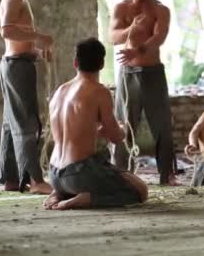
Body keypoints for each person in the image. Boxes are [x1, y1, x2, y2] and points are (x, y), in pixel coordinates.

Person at [43, 38, 148, 210]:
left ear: (75, 62)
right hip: (79, 174)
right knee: (140, 191)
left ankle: (60, 193)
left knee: (100, 169)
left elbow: (74, 131)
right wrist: (121, 128)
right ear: (101, 64)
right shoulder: (99, 91)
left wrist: (99, 130)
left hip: (54, 174)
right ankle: (81, 199)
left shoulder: (60, 91)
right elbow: (115, 137)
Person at [109, 0, 178, 185]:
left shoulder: (160, 10)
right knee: (123, 123)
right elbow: (113, 37)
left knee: (162, 123)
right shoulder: (121, 7)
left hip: (153, 72)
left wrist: (137, 50)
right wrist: (131, 30)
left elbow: (159, 37)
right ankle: (121, 173)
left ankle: (167, 174)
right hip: (128, 72)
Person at [0, 0, 53, 194]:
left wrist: (38, 51)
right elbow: (7, 31)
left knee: (11, 123)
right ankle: (34, 180)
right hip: (16, 67)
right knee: (26, 123)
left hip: (19, 62)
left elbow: (18, 40)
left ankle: (10, 178)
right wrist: (39, 37)